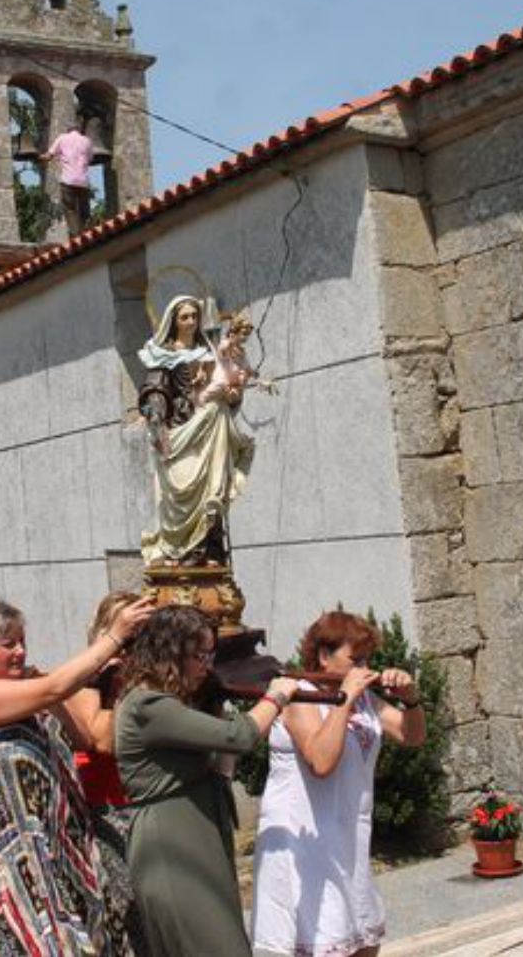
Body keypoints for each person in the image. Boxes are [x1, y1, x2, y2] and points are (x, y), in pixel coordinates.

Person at [0, 594, 154, 956]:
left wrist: (52, 698)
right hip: (4, 862)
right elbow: (57, 685)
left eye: (22, 642)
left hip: (50, 847)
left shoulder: (31, 690)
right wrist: (114, 637)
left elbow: (84, 736)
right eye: (8, 644)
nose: (20, 652)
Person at [113, 605, 299, 956]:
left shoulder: (169, 702)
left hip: (194, 833)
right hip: (171, 844)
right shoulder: (147, 705)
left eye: (210, 655)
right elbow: (239, 737)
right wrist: (276, 695)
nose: (206, 665)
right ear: (170, 653)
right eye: (198, 655)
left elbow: (220, 757)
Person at [250, 611, 427, 957]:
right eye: (354, 659)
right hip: (305, 840)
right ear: (322, 656)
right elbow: (320, 760)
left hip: (348, 835)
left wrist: (411, 698)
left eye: (366, 659)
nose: (363, 667)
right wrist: (344, 699)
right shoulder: (298, 695)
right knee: (325, 940)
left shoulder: (363, 697)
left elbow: (412, 735)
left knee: (363, 941)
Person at [60, 592, 148, 956]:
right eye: (124, 637)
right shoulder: (83, 679)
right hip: (103, 812)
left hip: (146, 805)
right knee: (117, 920)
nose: (129, 650)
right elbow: (99, 737)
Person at [137, 295, 255, 567]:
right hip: (180, 428)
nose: (191, 321)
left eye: (194, 316)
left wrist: (233, 392)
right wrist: (156, 413)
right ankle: (178, 550)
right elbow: (154, 388)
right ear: (174, 321)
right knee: (181, 491)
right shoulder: (164, 353)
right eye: (185, 317)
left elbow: (228, 386)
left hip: (211, 427)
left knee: (211, 491)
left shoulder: (210, 352)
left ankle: (209, 551)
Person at [39, 120, 94, 236]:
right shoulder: (87, 141)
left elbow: (49, 156)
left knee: (70, 210)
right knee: (85, 212)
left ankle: (75, 236)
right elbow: (89, 159)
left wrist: (37, 156)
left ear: (68, 129)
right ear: (78, 129)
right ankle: (87, 234)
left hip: (68, 181)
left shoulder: (62, 138)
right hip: (83, 182)